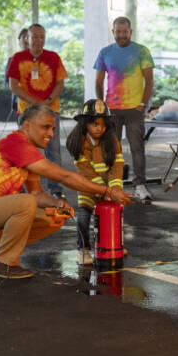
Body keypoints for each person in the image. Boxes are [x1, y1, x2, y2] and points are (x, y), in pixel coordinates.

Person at [0, 104, 132, 279]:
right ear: (27, 126)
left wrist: (57, 204)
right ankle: (2, 263)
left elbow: (37, 194)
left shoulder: (27, 151)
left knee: (53, 217)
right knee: (25, 202)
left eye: (53, 129)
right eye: (45, 127)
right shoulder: (16, 144)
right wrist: (108, 190)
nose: (51, 134)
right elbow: (64, 177)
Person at [95, 16, 155, 202]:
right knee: (111, 149)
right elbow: (98, 81)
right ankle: (113, 185)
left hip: (134, 109)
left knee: (137, 148)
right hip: (112, 109)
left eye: (124, 31)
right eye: (118, 31)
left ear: (130, 31)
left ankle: (140, 185)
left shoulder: (141, 51)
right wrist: (100, 104)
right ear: (113, 32)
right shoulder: (105, 52)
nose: (121, 35)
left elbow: (149, 81)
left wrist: (143, 104)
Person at [6, 23, 68, 199]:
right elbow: (13, 86)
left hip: (50, 110)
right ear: (28, 38)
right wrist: (34, 103)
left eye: (42, 37)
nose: (39, 40)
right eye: (35, 37)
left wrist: (47, 101)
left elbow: (60, 84)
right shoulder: (18, 58)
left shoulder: (53, 57)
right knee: (24, 151)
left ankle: (56, 190)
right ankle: (22, 188)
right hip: (27, 113)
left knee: (53, 151)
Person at [65, 99, 125, 265]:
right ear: (85, 124)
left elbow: (117, 166)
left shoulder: (112, 141)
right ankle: (83, 250)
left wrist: (115, 188)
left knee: (114, 215)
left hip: (109, 188)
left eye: (103, 124)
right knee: (83, 217)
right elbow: (87, 172)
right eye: (95, 124)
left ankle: (112, 245)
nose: (100, 128)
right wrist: (103, 190)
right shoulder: (79, 144)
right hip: (87, 189)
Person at [4, 28, 29, 116]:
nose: (26, 40)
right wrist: (16, 88)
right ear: (19, 40)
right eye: (24, 37)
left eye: (29, 37)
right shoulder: (12, 60)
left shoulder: (41, 60)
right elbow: (7, 82)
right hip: (19, 104)